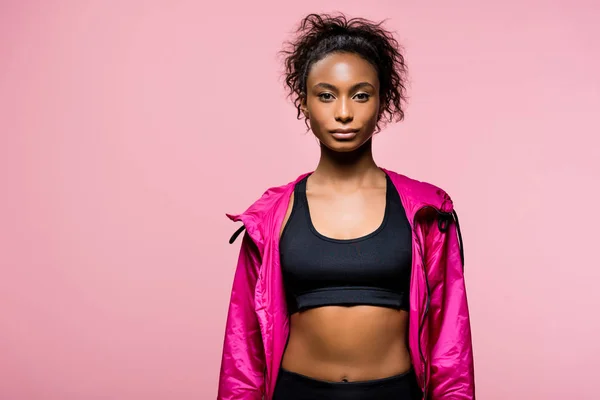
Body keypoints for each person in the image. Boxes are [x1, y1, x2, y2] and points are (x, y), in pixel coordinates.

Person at [217, 13, 475, 400]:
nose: (342, 112)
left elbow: (450, 343)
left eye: (360, 94)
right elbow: (244, 353)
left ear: (382, 100)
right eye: (325, 94)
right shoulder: (271, 216)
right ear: (303, 102)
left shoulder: (426, 210)